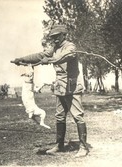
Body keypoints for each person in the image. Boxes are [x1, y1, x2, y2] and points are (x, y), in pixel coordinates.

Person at [12, 24, 89, 158]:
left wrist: (51, 60)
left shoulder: (70, 47)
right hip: (60, 87)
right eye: (53, 37)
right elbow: (40, 55)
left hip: (72, 86)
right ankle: (59, 145)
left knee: (77, 116)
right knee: (59, 117)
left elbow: (66, 56)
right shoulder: (54, 48)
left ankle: (83, 147)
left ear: (64, 35)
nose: (55, 39)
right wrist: (22, 59)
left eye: (57, 36)